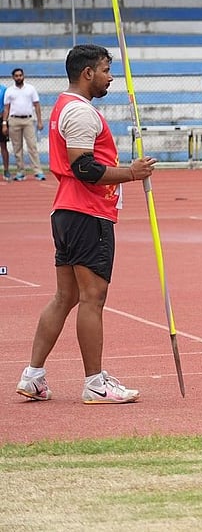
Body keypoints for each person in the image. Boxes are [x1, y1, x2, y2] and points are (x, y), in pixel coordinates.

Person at [14, 44, 157, 404]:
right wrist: (131, 173)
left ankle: (33, 376)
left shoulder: (68, 107)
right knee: (93, 298)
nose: (111, 77)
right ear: (88, 73)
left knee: (67, 296)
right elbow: (85, 168)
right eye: (107, 70)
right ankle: (95, 383)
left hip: (70, 211)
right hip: (86, 213)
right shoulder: (79, 112)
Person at [2, 67, 45, 181]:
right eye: (16, 76)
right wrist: (4, 123)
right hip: (14, 120)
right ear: (13, 77)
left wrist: (40, 121)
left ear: (23, 76)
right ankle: (20, 171)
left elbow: (37, 105)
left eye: (20, 75)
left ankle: (38, 171)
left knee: (32, 146)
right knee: (17, 147)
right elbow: (6, 108)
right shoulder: (9, 91)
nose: (18, 77)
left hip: (28, 120)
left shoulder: (30, 89)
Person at [0, 77, 9, 180]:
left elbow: (6, 106)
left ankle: (6, 170)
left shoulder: (4, 89)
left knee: (3, 146)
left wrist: (4, 122)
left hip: (1, 119)